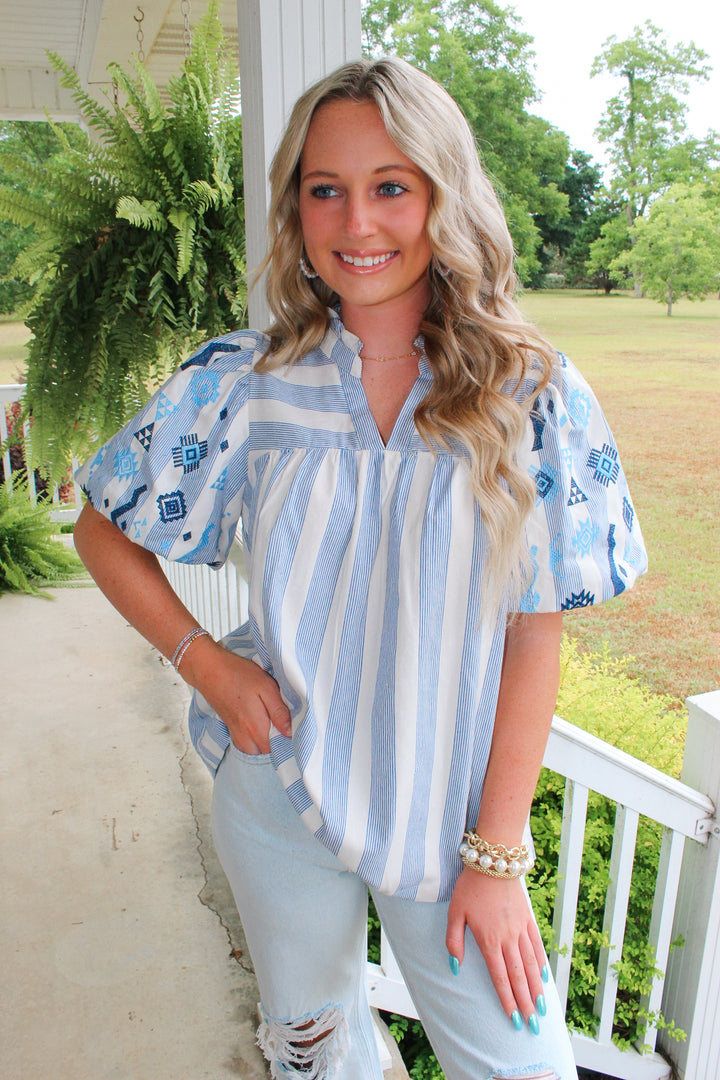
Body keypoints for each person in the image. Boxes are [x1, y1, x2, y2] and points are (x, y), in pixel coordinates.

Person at [74, 57, 646, 1080]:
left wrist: (499, 857)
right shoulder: (247, 387)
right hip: (280, 794)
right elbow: (103, 528)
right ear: (297, 206)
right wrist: (207, 664)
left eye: (391, 185)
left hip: (451, 823)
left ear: (442, 193)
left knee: (523, 1067)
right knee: (315, 1055)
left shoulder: (529, 396)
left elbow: (535, 627)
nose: (357, 222)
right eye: (324, 188)